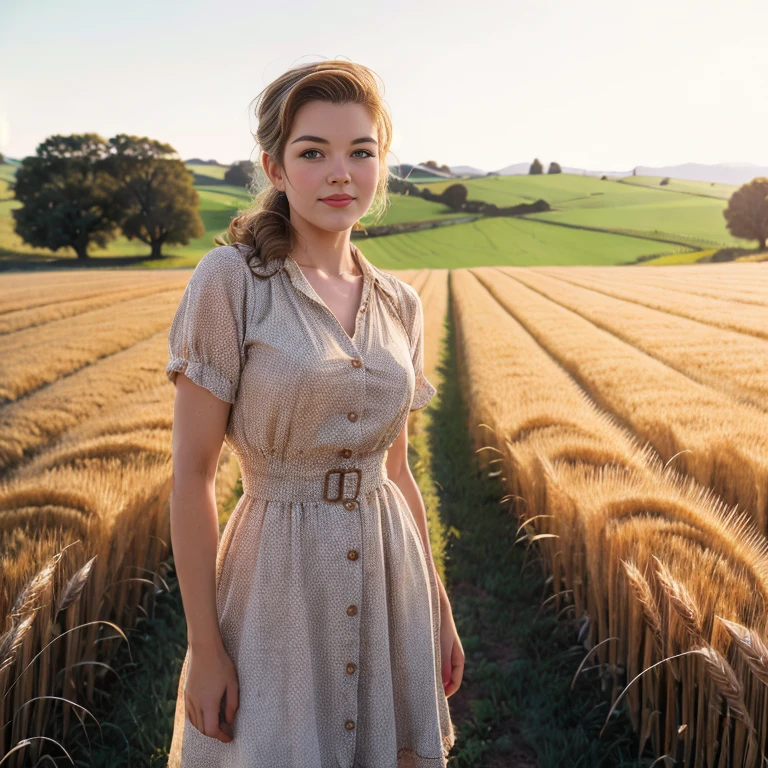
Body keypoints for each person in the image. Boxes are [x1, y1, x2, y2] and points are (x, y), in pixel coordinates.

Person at [165, 59, 464, 768]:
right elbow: (191, 477)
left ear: (382, 165)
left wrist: (440, 604)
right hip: (276, 582)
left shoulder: (401, 304)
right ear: (274, 165)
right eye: (313, 152)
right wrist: (206, 648)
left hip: (394, 578)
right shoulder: (232, 281)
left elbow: (398, 470)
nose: (340, 173)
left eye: (361, 152)